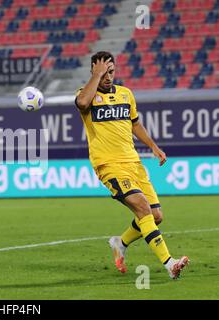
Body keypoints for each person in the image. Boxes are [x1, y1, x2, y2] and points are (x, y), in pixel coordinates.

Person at [74, 51, 189, 280]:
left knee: (155, 216)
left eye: (111, 71)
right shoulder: (86, 94)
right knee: (142, 208)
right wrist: (95, 77)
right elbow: (82, 103)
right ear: (94, 72)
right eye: (103, 72)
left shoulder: (126, 94)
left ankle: (120, 242)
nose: (108, 76)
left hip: (133, 163)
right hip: (109, 165)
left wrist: (154, 147)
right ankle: (170, 263)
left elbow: (135, 124)